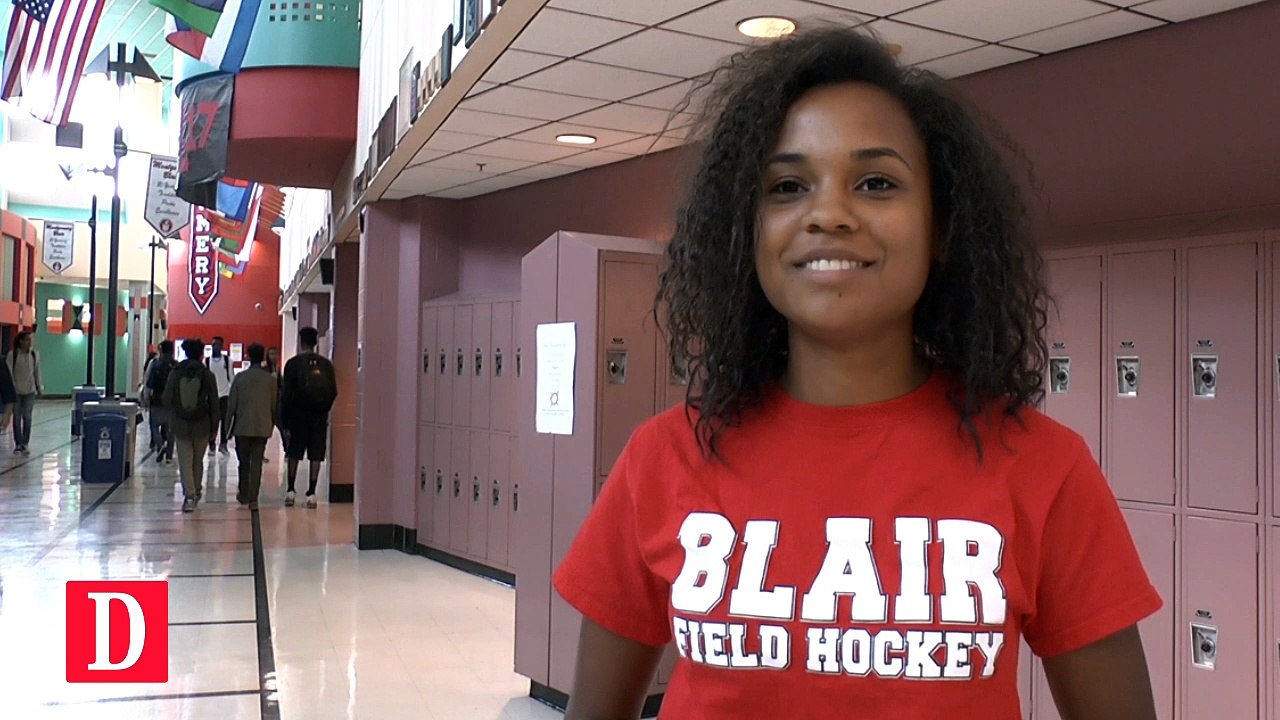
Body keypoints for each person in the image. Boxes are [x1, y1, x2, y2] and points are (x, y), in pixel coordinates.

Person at [552, 27, 1162, 720]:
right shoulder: (662, 460)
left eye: (876, 183)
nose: (829, 215)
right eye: (787, 186)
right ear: (747, 232)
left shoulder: (1045, 470)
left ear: (940, 229)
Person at [280, 327, 337, 508]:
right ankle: (311, 493)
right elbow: (334, 392)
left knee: (294, 453)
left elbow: (286, 394)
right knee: (316, 454)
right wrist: (324, 410)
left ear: (301, 341)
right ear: (315, 343)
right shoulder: (326, 365)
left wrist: (285, 421)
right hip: (319, 417)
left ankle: (290, 489)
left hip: (298, 416)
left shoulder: (293, 364)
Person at [162, 338, 220, 513]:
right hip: (202, 424)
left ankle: (190, 495)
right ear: (201, 354)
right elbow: (215, 404)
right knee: (197, 460)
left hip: (180, 424)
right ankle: (196, 490)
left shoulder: (176, 373)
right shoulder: (207, 375)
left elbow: (166, 399)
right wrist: (214, 428)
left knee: (185, 461)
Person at [226, 343, 278, 510]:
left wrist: (227, 429)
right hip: (262, 426)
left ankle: (244, 493)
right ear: (263, 356)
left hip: (243, 426)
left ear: (248, 355)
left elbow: (231, 406)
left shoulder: (240, 378)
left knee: (243, 462)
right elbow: (274, 405)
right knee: (257, 462)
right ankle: (254, 496)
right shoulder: (270, 380)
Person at [5, 331, 42, 455]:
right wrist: (11, 389)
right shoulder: (13, 355)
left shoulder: (34, 354)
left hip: (30, 391)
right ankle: (18, 444)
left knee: (27, 416)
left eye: (30, 340)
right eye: (27, 339)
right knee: (16, 418)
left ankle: (25, 443)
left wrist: (39, 387)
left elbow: (36, 372)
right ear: (21, 341)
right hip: (16, 391)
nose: (29, 342)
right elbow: (9, 373)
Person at [143, 340, 177, 464]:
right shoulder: (176, 366)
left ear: (161, 350)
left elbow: (149, 384)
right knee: (171, 430)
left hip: (157, 401)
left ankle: (160, 445)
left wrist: (146, 398)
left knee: (154, 426)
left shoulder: (156, 364)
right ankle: (169, 456)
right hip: (171, 403)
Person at [205, 335, 234, 455]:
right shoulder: (206, 361)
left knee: (224, 420)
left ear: (222, 346)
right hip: (211, 395)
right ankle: (211, 444)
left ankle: (223, 444)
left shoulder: (228, 361)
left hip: (224, 394)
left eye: (217, 344)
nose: (215, 347)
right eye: (213, 345)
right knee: (212, 421)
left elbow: (231, 378)